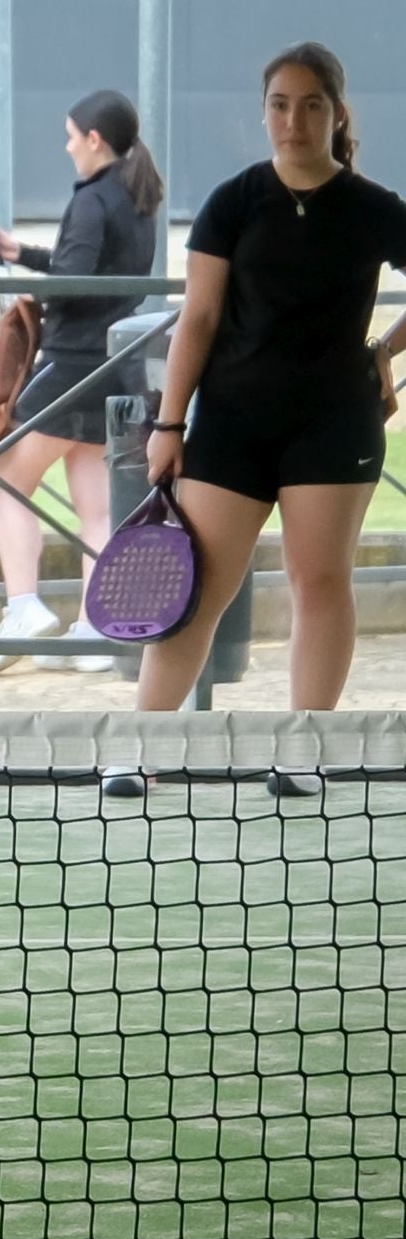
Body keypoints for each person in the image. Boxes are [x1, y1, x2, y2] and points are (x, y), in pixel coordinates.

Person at [118, 43, 406, 797]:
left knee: (318, 581)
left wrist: (384, 349)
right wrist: (168, 424)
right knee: (200, 588)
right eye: (280, 104)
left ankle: (304, 751)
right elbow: (200, 317)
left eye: (311, 104)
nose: (294, 119)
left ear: (336, 113)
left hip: (335, 426)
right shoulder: (234, 201)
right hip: (232, 426)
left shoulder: (376, 208)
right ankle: (140, 751)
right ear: (265, 112)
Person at [0, 90, 163, 676]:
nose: (66, 146)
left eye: (70, 135)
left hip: (72, 361)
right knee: (96, 501)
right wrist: (25, 254)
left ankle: (23, 606)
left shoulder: (90, 199)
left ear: (94, 139)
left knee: (8, 476)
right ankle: (93, 628)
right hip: (118, 362)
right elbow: (91, 269)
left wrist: (35, 286)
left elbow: (75, 280)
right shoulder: (137, 196)